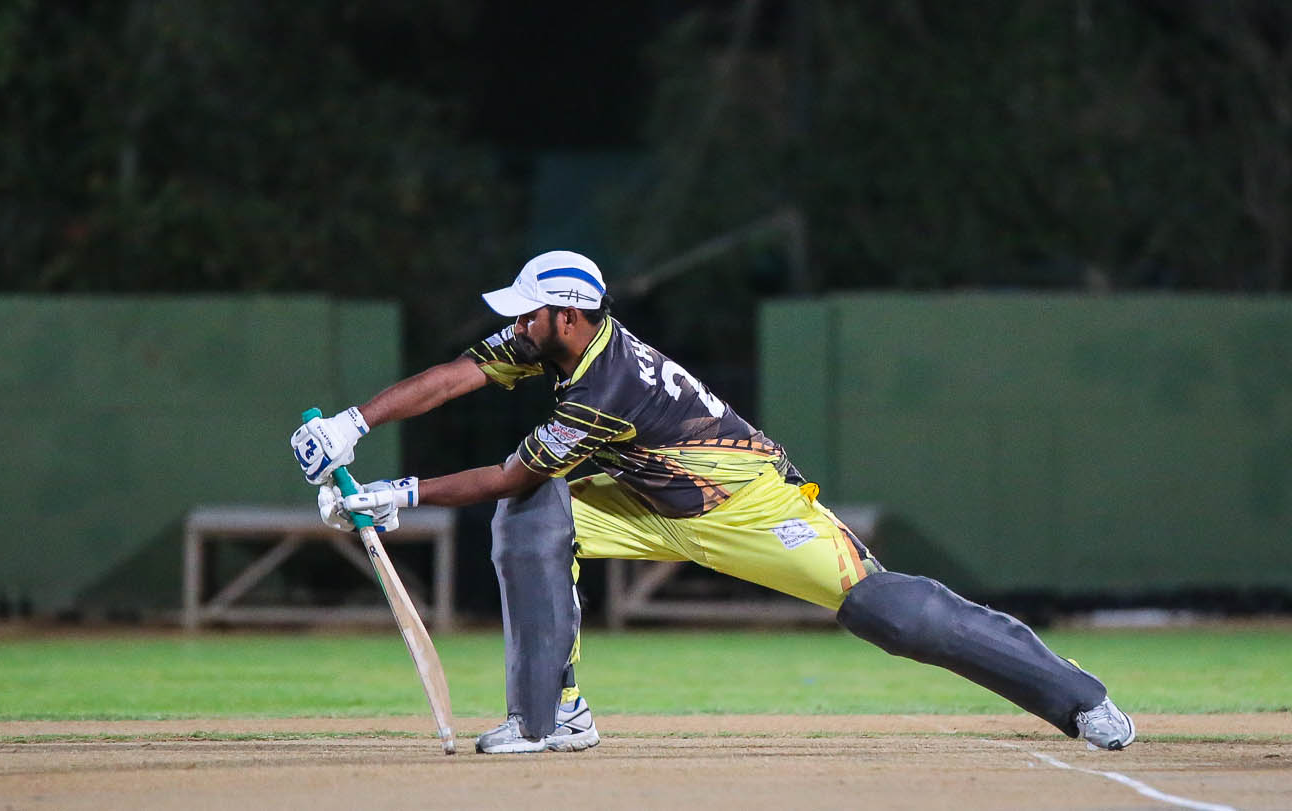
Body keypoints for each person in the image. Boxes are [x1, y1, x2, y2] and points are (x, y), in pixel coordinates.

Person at [290, 250, 1136, 755]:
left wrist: (400, 494)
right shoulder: (560, 343)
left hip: (750, 509)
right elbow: (458, 375)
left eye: (529, 314)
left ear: (570, 317)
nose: (517, 326)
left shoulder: (604, 388)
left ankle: (1080, 698)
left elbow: (511, 472)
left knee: (890, 613)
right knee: (536, 518)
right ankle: (551, 715)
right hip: (648, 500)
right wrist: (350, 424)